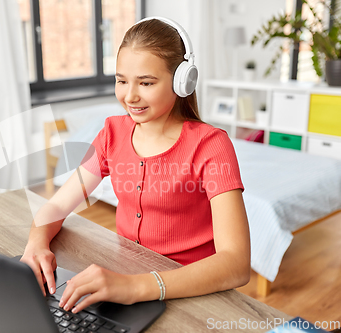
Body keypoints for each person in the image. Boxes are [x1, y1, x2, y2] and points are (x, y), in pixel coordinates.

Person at [21, 17, 250, 314]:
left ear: (183, 81)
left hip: (192, 293)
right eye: (121, 80)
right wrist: (36, 244)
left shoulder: (212, 146)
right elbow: (57, 206)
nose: (129, 96)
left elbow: (236, 263)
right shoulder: (110, 134)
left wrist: (134, 288)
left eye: (146, 82)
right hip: (127, 280)